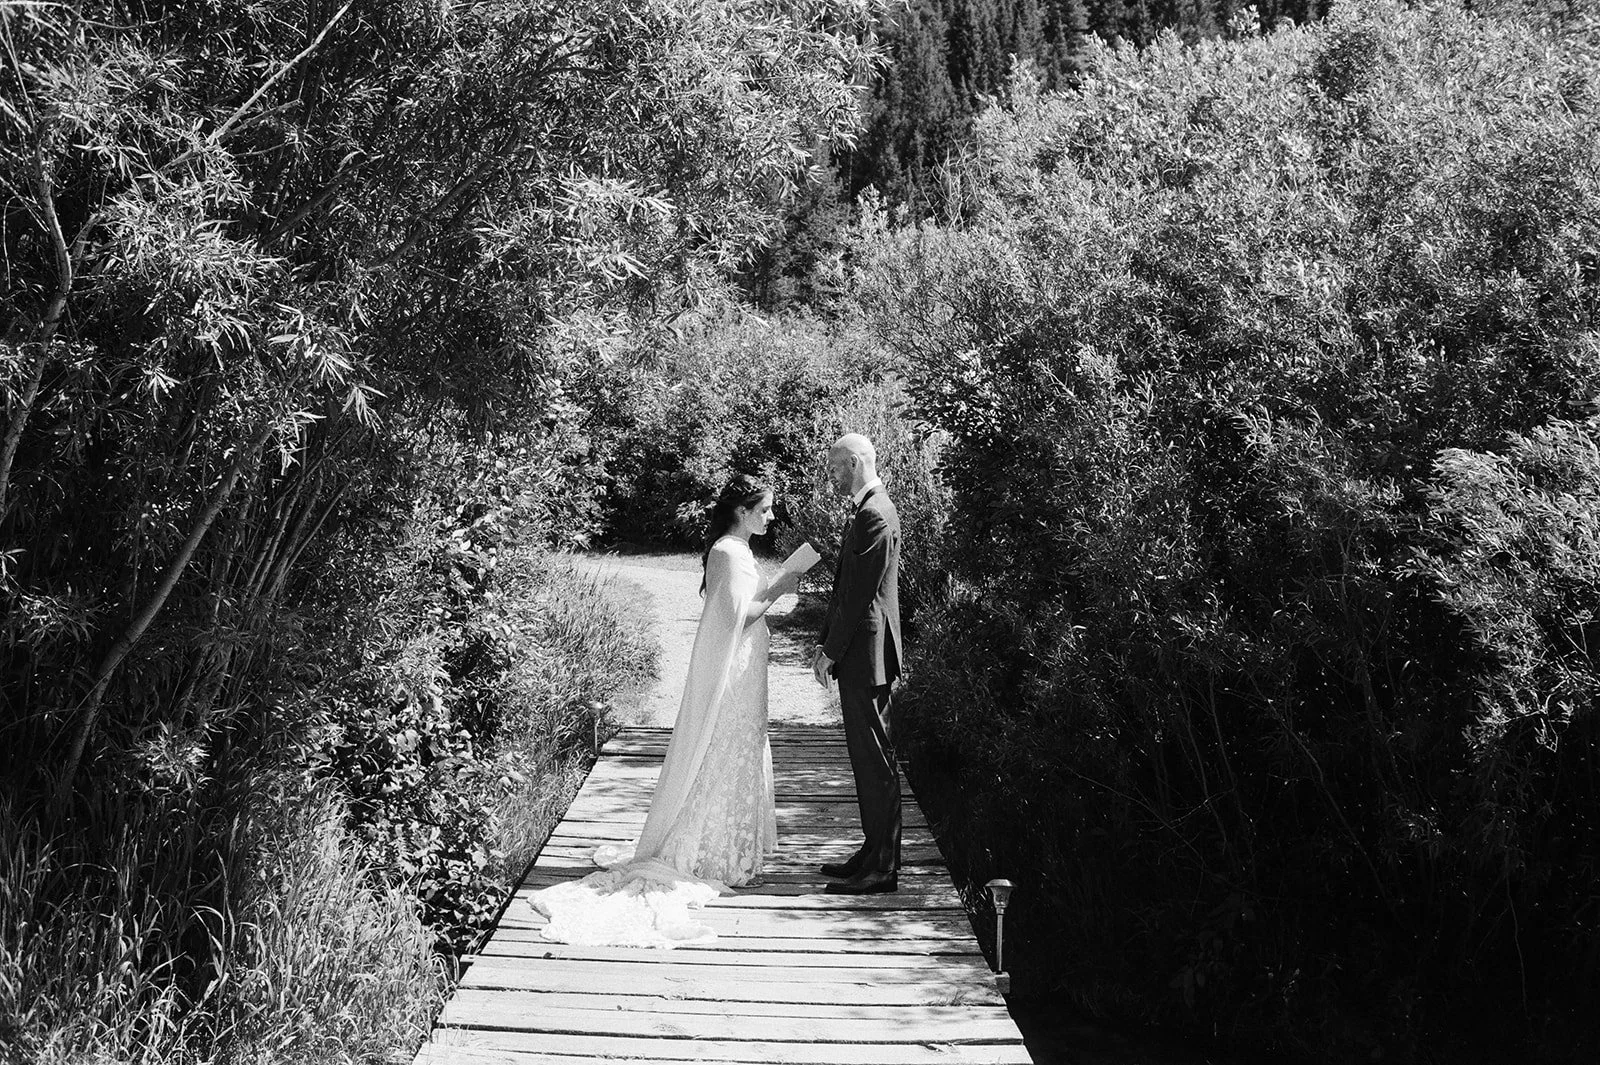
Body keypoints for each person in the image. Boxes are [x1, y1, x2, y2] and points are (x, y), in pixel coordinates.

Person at [528, 474, 799, 945]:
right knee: (725, 748)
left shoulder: (733, 549)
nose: (771, 517)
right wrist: (782, 586)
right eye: (765, 509)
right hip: (733, 668)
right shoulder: (729, 552)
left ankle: (727, 844)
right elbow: (740, 617)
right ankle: (709, 849)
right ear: (742, 511)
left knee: (738, 746)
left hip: (744, 662)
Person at [811, 434, 903, 895]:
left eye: (833, 468)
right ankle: (872, 853)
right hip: (863, 655)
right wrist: (826, 641)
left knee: (875, 761)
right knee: (867, 760)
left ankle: (882, 868)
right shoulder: (870, 509)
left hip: (868, 657)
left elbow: (858, 596)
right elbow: (846, 588)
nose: (831, 476)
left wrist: (831, 650)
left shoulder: (875, 513)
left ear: (853, 462)